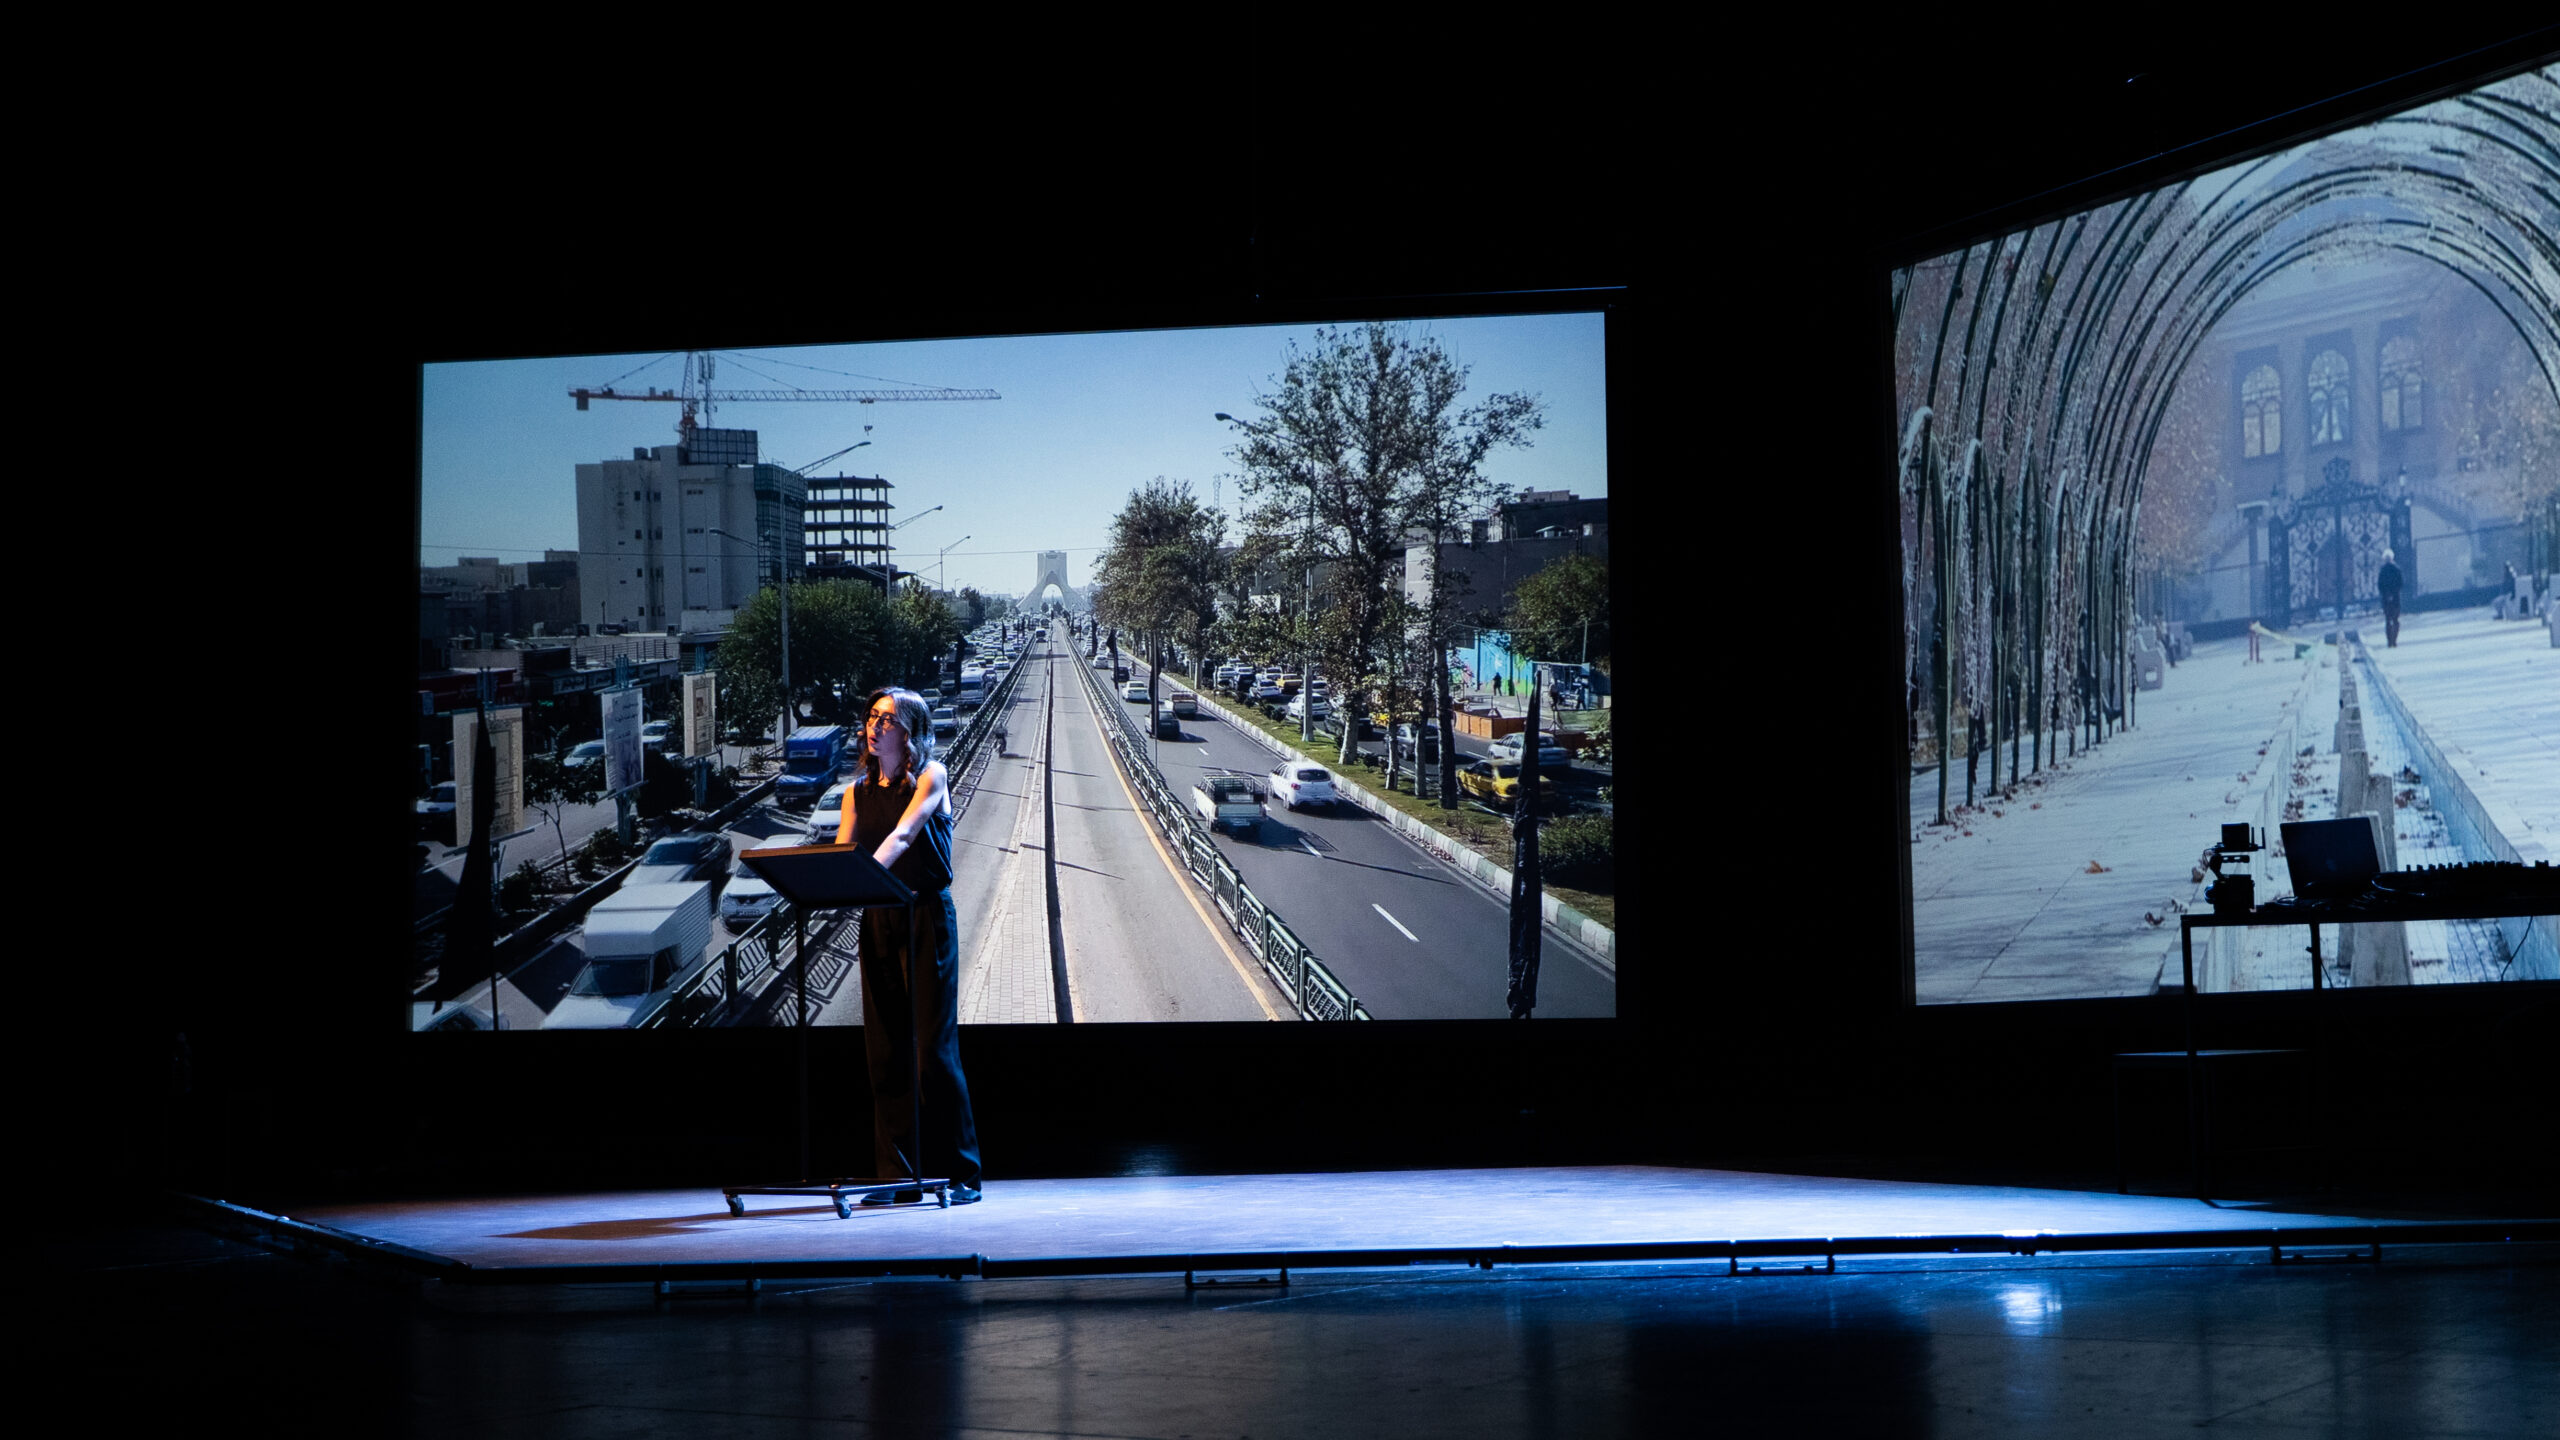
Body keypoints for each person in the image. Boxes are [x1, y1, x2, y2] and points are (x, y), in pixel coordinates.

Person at [837, 685, 983, 1205]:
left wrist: (862, 876)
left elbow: (902, 836)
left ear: (910, 731)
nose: (875, 726)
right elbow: (842, 850)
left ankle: (961, 1175)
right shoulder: (854, 794)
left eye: (888, 719)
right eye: (872, 717)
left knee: (932, 1056)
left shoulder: (931, 777)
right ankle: (896, 1179)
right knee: (885, 1054)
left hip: (925, 917)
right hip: (879, 920)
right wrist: (832, 879)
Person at [2377, 549, 2404, 647]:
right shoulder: (2397, 569)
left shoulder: (2383, 570)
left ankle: (2389, 641)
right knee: (2396, 620)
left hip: (2386, 598)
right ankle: (2394, 640)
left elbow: (2380, 585)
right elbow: (2401, 583)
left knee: (2388, 620)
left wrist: (2386, 594)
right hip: (2396, 598)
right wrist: (2395, 592)